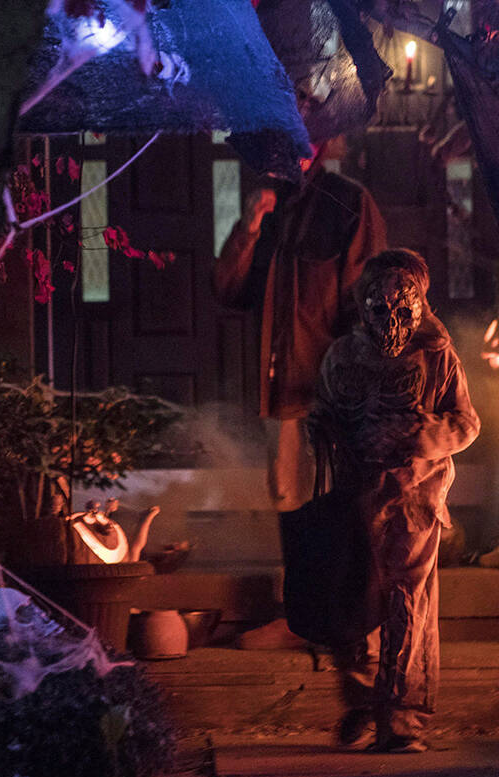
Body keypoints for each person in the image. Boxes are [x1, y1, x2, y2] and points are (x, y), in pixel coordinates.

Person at [213, 139, 386, 648]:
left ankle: (352, 630)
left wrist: (357, 383)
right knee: (294, 504)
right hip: (283, 386)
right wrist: (248, 229)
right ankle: (305, 622)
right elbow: (228, 289)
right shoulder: (271, 208)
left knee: (342, 508)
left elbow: (372, 296)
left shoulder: (346, 201)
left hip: (333, 390)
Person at [309, 249, 480, 752]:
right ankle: (363, 700)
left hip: (414, 498)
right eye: (381, 311)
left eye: (403, 312)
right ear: (364, 308)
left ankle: (401, 716)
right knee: (353, 600)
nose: (392, 322)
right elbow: (323, 413)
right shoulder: (341, 357)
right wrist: (324, 432)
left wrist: (426, 435)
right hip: (353, 496)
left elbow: (467, 423)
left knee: (406, 601)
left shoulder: (438, 357)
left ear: (420, 309)